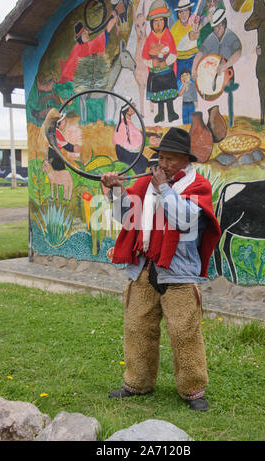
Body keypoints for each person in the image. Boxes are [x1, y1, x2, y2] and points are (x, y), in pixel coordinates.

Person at [101, 127, 221, 411]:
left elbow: (183, 219)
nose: (163, 164)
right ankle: (137, 382)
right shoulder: (145, 184)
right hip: (144, 266)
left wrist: (163, 189)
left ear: (186, 160)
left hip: (178, 272)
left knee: (184, 331)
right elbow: (126, 217)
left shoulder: (198, 186)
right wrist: (115, 189)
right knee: (137, 326)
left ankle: (193, 389)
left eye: (170, 159)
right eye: (161, 158)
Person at [142, 0, 179, 124]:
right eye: (156, 21)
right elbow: (144, 57)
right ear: (152, 23)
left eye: (161, 20)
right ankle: (160, 113)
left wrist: (166, 61)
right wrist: (152, 63)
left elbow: (173, 53)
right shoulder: (150, 38)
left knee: (168, 93)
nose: (158, 24)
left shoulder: (168, 36)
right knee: (159, 94)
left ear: (165, 21)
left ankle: (171, 112)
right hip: (156, 73)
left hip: (167, 72)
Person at [192, 9, 242, 82]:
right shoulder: (211, 37)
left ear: (224, 25)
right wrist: (194, 69)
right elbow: (201, 52)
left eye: (219, 26)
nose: (217, 30)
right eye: (215, 27)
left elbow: (238, 52)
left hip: (227, 71)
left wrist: (225, 66)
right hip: (211, 71)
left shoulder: (230, 36)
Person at [112, 97, 148, 174]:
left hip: (131, 153)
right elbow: (129, 142)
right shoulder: (123, 125)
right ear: (128, 110)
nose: (135, 106)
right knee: (141, 163)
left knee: (144, 161)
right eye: (132, 105)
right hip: (127, 155)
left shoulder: (128, 123)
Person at [170, 0, 200, 86]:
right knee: (178, 86)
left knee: (198, 84)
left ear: (189, 11)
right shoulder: (174, 29)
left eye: (186, 11)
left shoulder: (194, 24)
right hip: (181, 62)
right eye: (181, 12)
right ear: (178, 14)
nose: (183, 14)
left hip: (194, 59)